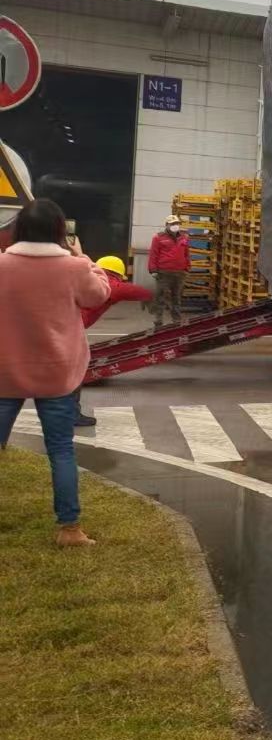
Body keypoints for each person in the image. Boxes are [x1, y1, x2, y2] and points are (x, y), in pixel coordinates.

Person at [0, 198, 111, 546]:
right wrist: (86, 259)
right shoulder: (74, 267)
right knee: (61, 450)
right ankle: (69, 529)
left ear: (18, 229)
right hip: (57, 374)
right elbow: (99, 295)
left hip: (5, 372)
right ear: (60, 231)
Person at [72, 256, 153, 427]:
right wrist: (155, 296)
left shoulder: (88, 279)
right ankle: (71, 414)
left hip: (60, 326)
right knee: (74, 372)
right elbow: (138, 292)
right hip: (69, 329)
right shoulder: (111, 284)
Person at [148, 214, 189, 328]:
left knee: (176, 297)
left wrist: (187, 267)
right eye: (172, 224)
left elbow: (186, 254)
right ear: (167, 225)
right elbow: (153, 254)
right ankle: (158, 320)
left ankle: (176, 320)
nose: (175, 226)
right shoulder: (158, 238)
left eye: (176, 224)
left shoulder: (184, 237)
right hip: (163, 273)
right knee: (160, 296)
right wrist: (153, 270)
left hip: (179, 273)